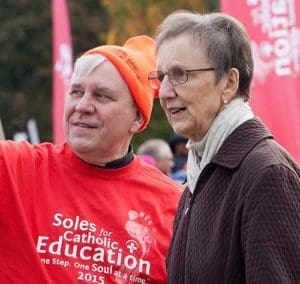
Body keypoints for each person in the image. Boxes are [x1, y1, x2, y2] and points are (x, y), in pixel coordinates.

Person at [0, 35, 182, 283]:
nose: (82, 106)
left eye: (101, 96)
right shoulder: (14, 168)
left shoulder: (175, 206)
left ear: (137, 118)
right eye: (76, 92)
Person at [147, 10, 300, 283]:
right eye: (162, 77)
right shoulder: (199, 174)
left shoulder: (267, 174)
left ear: (229, 82)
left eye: (180, 74)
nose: (166, 92)